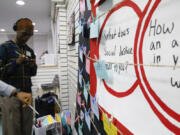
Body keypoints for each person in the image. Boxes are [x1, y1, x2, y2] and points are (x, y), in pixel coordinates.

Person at [0, 18, 37, 135]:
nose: (26, 38)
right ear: (17, 30)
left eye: (29, 35)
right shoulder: (4, 48)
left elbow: (33, 73)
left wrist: (33, 66)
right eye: (24, 34)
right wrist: (16, 62)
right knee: (12, 130)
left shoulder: (30, 51)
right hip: (11, 96)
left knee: (27, 128)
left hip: (27, 95)